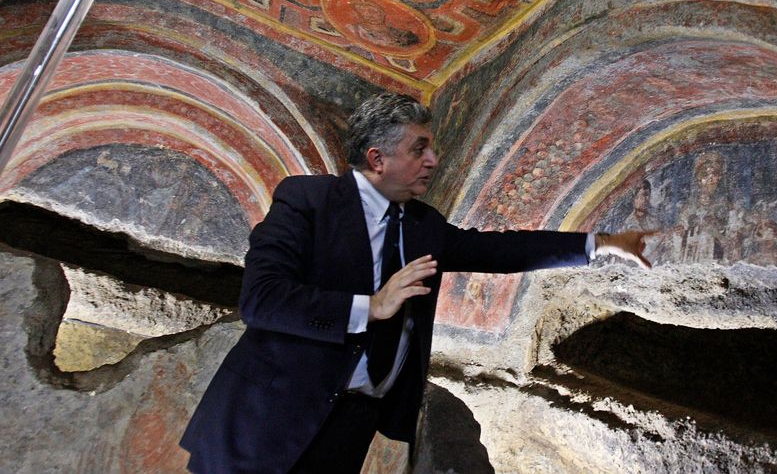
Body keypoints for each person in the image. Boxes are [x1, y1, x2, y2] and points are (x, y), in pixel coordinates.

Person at [179, 93, 649, 474]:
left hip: (350, 422)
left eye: (432, 148)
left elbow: (498, 251)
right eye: (419, 148)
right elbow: (262, 301)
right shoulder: (308, 200)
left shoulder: (423, 224)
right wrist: (371, 306)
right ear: (377, 157)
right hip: (266, 417)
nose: (433, 159)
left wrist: (600, 242)